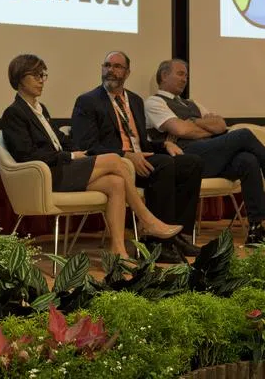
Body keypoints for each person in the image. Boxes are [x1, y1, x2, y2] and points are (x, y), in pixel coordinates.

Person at [0, 54, 182, 259]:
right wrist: (69, 156)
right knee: (116, 160)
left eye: (43, 75)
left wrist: (78, 151)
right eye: (35, 75)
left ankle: (118, 251)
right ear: (19, 78)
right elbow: (26, 155)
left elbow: (58, 139)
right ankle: (146, 219)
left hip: (63, 168)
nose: (41, 80)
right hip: (47, 174)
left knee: (115, 183)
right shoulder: (14, 113)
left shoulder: (41, 110)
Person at [145, 59, 265, 250]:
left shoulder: (192, 103)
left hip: (211, 154)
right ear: (164, 75)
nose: (185, 79)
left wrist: (193, 123)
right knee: (243, 135)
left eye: (187, 75)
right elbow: (180, 130)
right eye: (180, 74)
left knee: (247, 160)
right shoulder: (154, 102)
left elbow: (221, 125)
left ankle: (256, 231)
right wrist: (202, 126)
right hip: (185, 158)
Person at [70, 52, 203, 263]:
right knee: (164, 166)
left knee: (191, 163)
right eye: (107, 65)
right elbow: (86, 146)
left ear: (127, 72)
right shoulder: (88, 101)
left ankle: (178, 236)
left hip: (140, 157)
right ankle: (157, 242)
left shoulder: (135, 101)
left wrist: (164, 144)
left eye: (117, 67)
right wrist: (127, 156)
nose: (111, 70)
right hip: (115, 164)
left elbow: (142, 142)